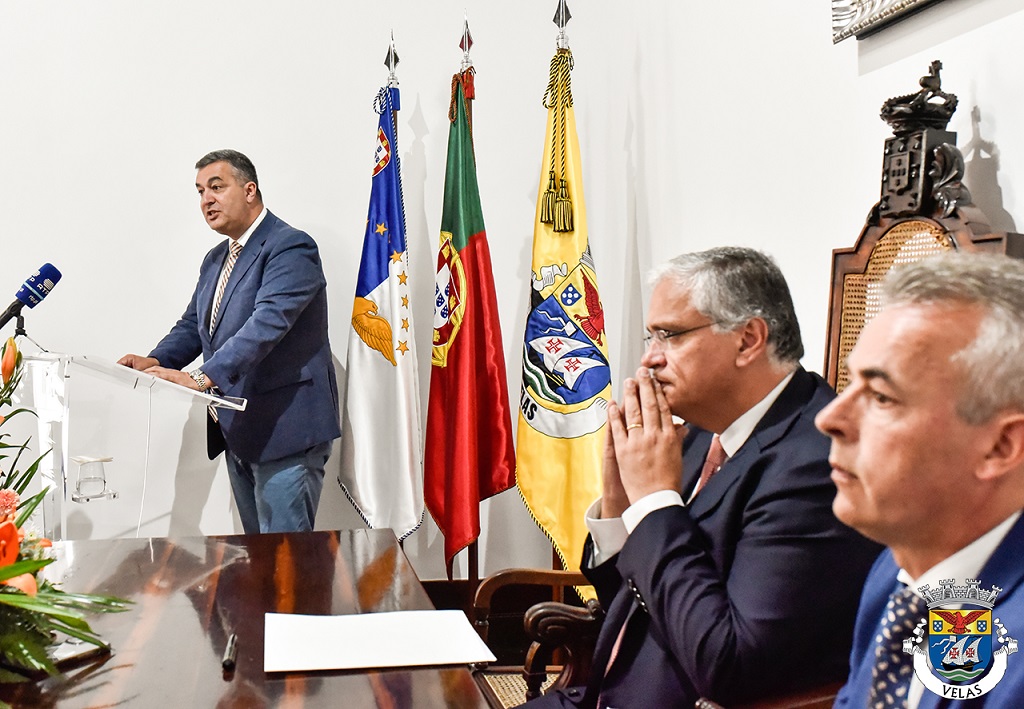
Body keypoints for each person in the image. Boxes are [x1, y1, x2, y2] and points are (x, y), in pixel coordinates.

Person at [531, 246, 881, 708]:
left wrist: (653, 503)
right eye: (650, 337)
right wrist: (620, 506)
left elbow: (729, 666)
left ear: (748, 339)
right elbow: (632, 602)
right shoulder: (701, 432)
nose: (649, 360)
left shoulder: (814, 467)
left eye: (669, 336)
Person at [819, 253, 1024, 707]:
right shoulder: (900, 568)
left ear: (1000, 446)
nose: (829, 418)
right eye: (850, 385)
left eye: (881, 396)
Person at [119, 149, 340, 534]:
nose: (206, 199)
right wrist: (155, 361)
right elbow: (194, 325)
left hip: (286, 431)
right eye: (200, 191)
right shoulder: (215, 259)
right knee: (259, 557)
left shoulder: (290, 246)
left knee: (288, 561)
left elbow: (267, 324)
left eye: (217, 187)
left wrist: (200, 377)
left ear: (249, 190)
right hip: (237, 430)